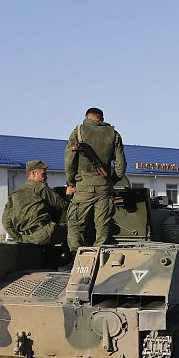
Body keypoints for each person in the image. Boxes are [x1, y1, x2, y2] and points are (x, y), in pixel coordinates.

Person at [65, 107, 127, 251]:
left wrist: (71, 182)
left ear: (87, 118)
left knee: (75, 222)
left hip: (83, 186)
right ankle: (100, 255)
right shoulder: (114, 134)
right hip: (104, 187)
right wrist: (112, 180)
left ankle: (76, 255)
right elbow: (121, 165)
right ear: (102, 119)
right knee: (103, 223)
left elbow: (69, 161)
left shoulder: (78, 132)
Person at [2, 160, 69, 248]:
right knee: (74, 230)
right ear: (33, 174)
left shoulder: (14, 194)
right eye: (43, 174)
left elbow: (6, 222)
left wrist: (20, 239)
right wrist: (69, 194)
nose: (46, 177)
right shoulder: (40, 187)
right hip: (44, 234)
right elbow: (63, 205)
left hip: (26, 238)